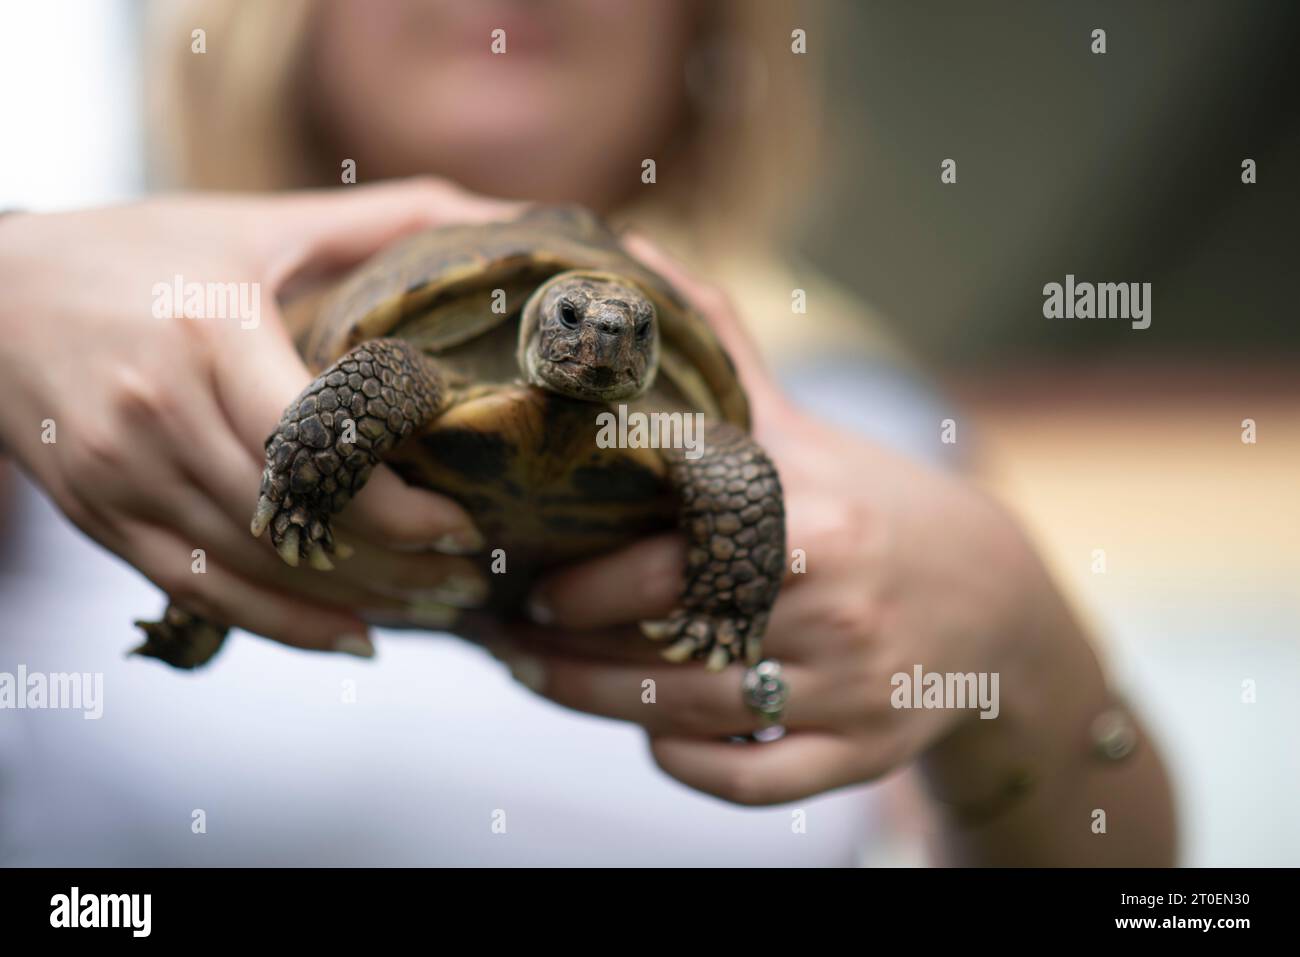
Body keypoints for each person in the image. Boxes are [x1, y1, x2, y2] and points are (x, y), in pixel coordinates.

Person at [0, 0, 1174, 864]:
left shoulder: (871, 438)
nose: (601, 345)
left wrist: (1022, 655)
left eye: (624, 332)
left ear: (702, 35)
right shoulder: (87, 374)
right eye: (572, 322)